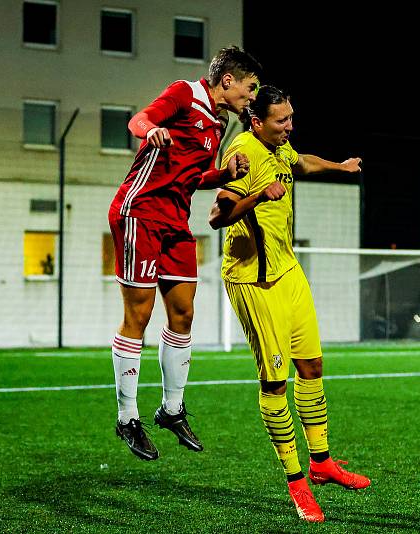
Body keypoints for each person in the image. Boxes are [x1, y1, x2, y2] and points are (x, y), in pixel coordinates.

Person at [208, 86, 369, 523]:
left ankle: (322, 464)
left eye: (291, 117)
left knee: (312, 366)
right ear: (257, 122)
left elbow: (303, 161)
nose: (290, 126)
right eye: (282, 120)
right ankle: (297, 483)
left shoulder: (277, 146)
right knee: (275, 384)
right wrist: (259, 196)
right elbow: (217, 216)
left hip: (287, 271)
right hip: (253, 280)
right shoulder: (243, 152)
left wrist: (339, 165)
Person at [108, 46, 262, 461]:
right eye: (249, 89)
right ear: (227, 80)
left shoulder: (220, 120)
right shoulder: (184, 93)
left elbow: (192, 177)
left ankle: (171, 409)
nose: (251, 98)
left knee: (184, 312)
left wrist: (223, 175)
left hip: (176, 222)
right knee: (138, 316)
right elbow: (138, 119)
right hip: (139, 211)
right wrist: (149, 130)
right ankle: (127, 418)